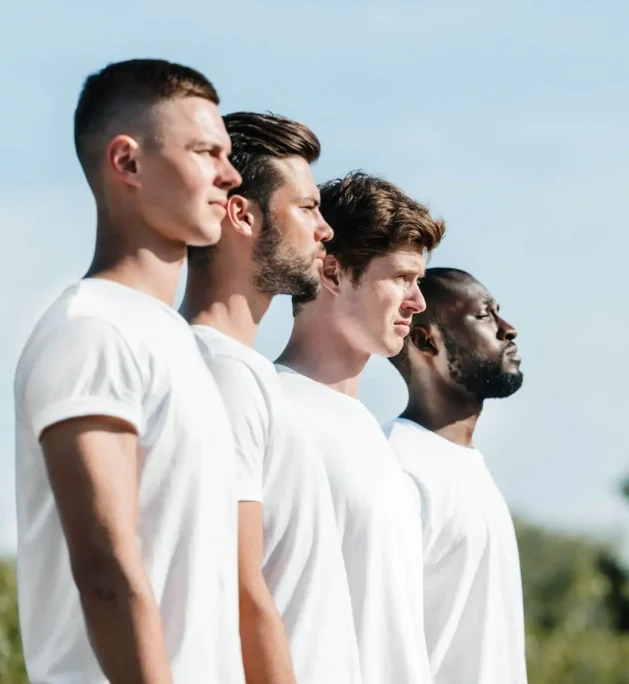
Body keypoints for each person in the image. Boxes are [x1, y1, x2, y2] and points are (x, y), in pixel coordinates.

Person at [13, 59, 245, 683]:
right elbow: (107, 573)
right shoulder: (91, 330)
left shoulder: (171, 341)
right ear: (128, 162)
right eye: (205, 152)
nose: (231, 175)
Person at [180, 111, 362, 684]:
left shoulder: (241, 372)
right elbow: (237, 587)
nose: (325, 230)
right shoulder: (220, 372)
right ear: (241, 213)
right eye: (308, 208)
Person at [274, 171, 445, 684]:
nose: (417, 302)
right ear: (331, 273)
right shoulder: (272, 410)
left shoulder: (374, 437)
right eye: (400, 278)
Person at [383, 267, 528, 684]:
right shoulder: (397, 465)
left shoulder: (465, 466)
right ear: (426, 340)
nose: (509, 330)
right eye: (485, 316)